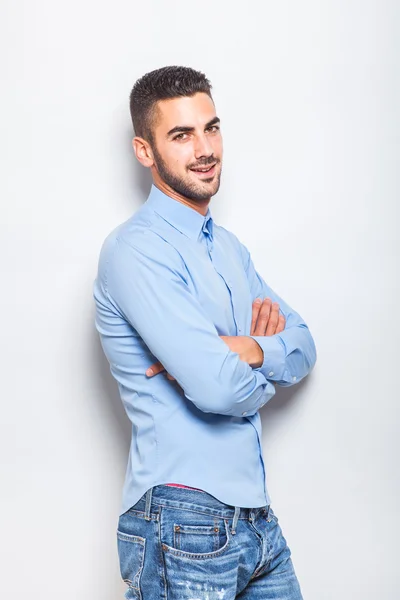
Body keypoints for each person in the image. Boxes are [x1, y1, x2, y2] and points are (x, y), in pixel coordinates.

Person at [93, 65, 317, 599]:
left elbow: (305, 343)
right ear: (145, 151)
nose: (204, 148)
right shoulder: (136, 250)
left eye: (210, 128)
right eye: (181, 135)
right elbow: (217, 390)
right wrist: (256, 369)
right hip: (179, 516)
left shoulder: (230, 250)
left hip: (256, 518)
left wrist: (241, 350)